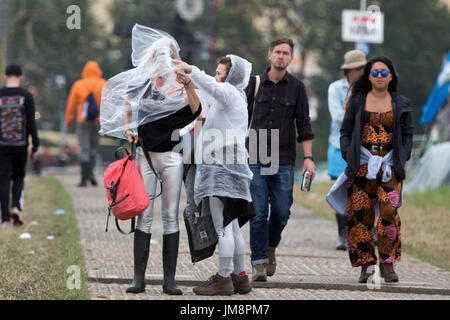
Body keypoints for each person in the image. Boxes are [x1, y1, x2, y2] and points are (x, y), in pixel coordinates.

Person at [100, 24, 202, 295]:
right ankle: (138, 279)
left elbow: (197, 110)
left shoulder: (180, 86)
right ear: (152, 57)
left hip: (171, 157)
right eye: (159, 55)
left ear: (173, 57)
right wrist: (127, 127)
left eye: (168, 54)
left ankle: (170, 280)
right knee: (144, 214)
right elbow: (126, 105)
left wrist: (189, 83)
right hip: (145, 156)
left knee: (170, 216)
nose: (163, 59)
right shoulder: (142, 84)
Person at [173, 55, 255, 296]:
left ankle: (222, 279)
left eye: (221, 74)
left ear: (232, 77)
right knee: (233, 227)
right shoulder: (233, 97)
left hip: (221, 166)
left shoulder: (229, 93)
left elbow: (210, 86)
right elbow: (207, 92)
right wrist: (189, 82)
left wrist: (191, 69)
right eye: (217, 73)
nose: (217, 77)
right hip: (233, 165)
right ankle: (240, 277)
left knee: (222, 227)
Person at [245, 38, 316, 282]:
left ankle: (270, 246)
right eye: (278, 52)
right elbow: (240, 119)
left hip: (284, 159)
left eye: (286, 53)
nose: (282, 57)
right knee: (258, 212)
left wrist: (308, 158)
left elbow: (304, 124)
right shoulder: (254, 85)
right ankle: (258, 263)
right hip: (254, 155)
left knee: (282, 212)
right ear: (270, 55)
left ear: (291, 58)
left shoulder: (297, 88)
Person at [339, 56, 413, 283]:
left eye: (384, 73)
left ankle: (388, 264)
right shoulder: (358, 101)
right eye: (375, 73)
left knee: (389, 213)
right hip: (361, 167)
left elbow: (408, 134)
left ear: (391, 76)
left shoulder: (401, 103)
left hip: (390, 167)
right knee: (361, 216)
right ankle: (366, 265)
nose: (379, 76)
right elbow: (346, 132)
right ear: (368, 76)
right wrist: (349, 156)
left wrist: (403, 158)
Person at [327, 50, 366, 250]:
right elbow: (336, 116)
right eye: (358, 68)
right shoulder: (335, 88)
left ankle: (358, 232)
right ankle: (343, 234)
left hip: (363, 147)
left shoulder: (369, 90)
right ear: (349, 71)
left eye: (363, 68)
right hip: (338, 144)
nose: (361, 72)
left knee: (360, 191)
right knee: (341, 190)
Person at [0, 64, 39, 228]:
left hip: (2, 145)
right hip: (21, 144)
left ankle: (5, 219)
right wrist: (35, 145)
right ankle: (15, 206)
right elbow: (31, 122)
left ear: (4, 76)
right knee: (18, 177)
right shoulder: (26, 96)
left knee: (3, 180)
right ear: (21, 77)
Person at [65, 61, 106, 187]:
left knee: (84, 149)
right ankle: (91, 174)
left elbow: (71, 104)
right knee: (93, 149)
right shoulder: (103, 83)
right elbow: (110, 102)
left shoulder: (79, 85)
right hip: (97, 121)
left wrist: (69, 121)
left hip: (82, 121)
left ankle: (84, 179)